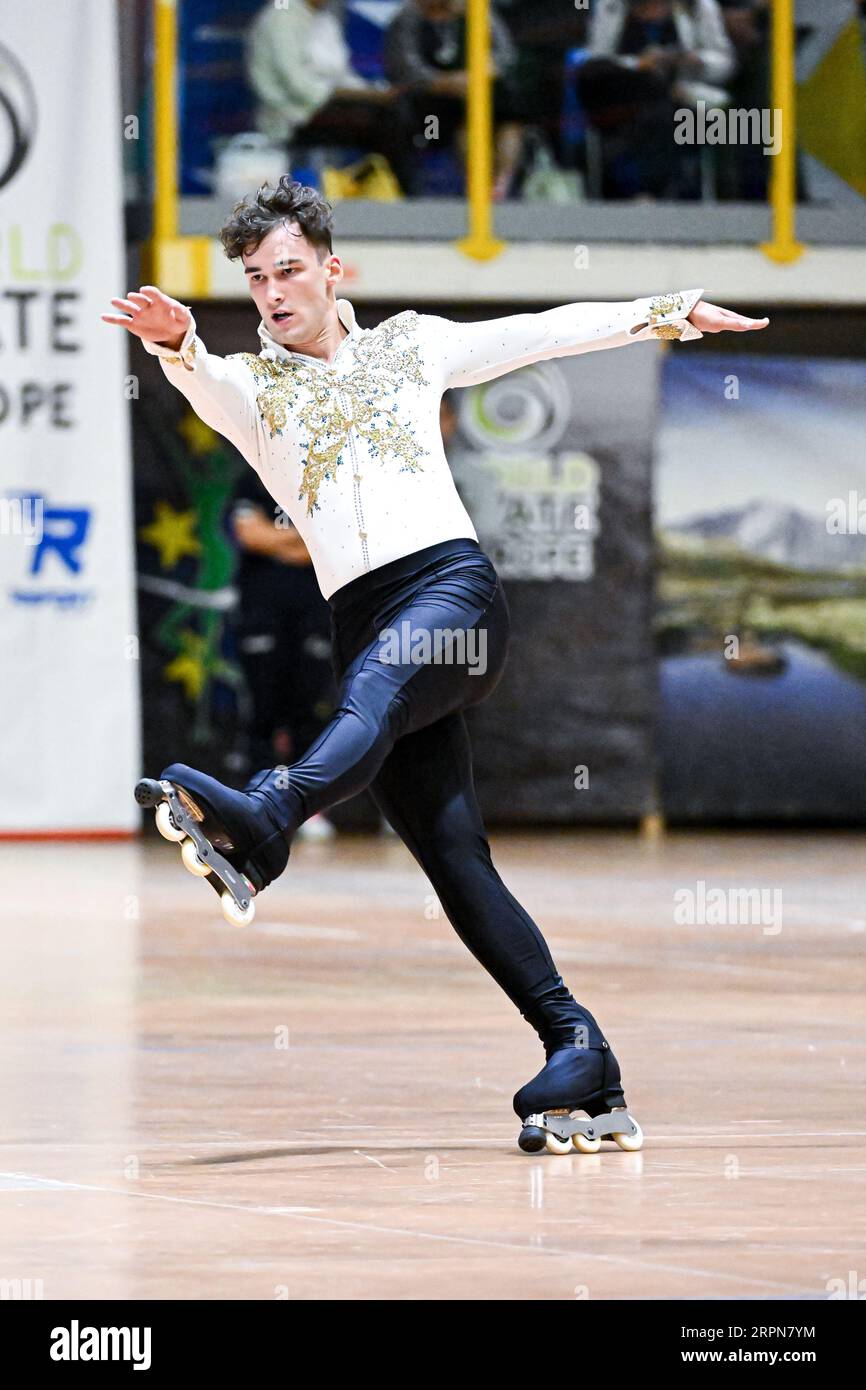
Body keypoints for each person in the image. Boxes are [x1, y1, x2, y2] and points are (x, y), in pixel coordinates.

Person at [103, 179, 768, 1152]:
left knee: (370, 698)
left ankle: (270, 816)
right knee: (456, 860)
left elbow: (539, 331)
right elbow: (197, 374)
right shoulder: (252, 390)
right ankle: (578, 1046)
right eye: (254, 280)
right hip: (363, 621)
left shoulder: (409, 345)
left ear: (332, 270)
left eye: (289, 270)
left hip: (453, 599)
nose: (274, 293)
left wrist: (662, 311)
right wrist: (173, 340)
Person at [230, 469, 336, 841]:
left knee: (309, 710)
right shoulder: (252, 479)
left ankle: (308, 807)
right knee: (262, 709)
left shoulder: (325, 480)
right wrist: (298, 536)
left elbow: (327, 543)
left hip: (313, 613)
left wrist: (276, 540)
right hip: (261, 613)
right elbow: (249, 534)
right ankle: (258, 802)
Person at [246, 0, 410, 190]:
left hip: (332, 106)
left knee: (397, 111)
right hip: (295, 114)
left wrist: (374, 93)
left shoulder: (325, 20)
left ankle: (384, 189)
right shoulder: (281, 17)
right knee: (386, 122)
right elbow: (298, 84)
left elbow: (343, 75)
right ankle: (405, 192)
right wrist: (362, 96)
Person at [581, 0, 736, 198]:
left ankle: (649, 194)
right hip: (627, 98)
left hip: (685, 100)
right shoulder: (610, 5)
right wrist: (639, 64)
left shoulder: (700, 6)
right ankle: (646, 193)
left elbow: (725, 63)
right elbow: (596, 63)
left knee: (666, 116)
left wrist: (698, 60)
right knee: (651, 114)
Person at [384, 0, 525, 199]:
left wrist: (481, 74)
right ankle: (477, 184)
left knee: (509, 109)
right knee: (460, 115)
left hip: (477, 88)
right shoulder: (408, 18)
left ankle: (501, 184)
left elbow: (505, 56)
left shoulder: (477, 11)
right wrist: (445, 82)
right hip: (431, 99)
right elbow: (404, 67)